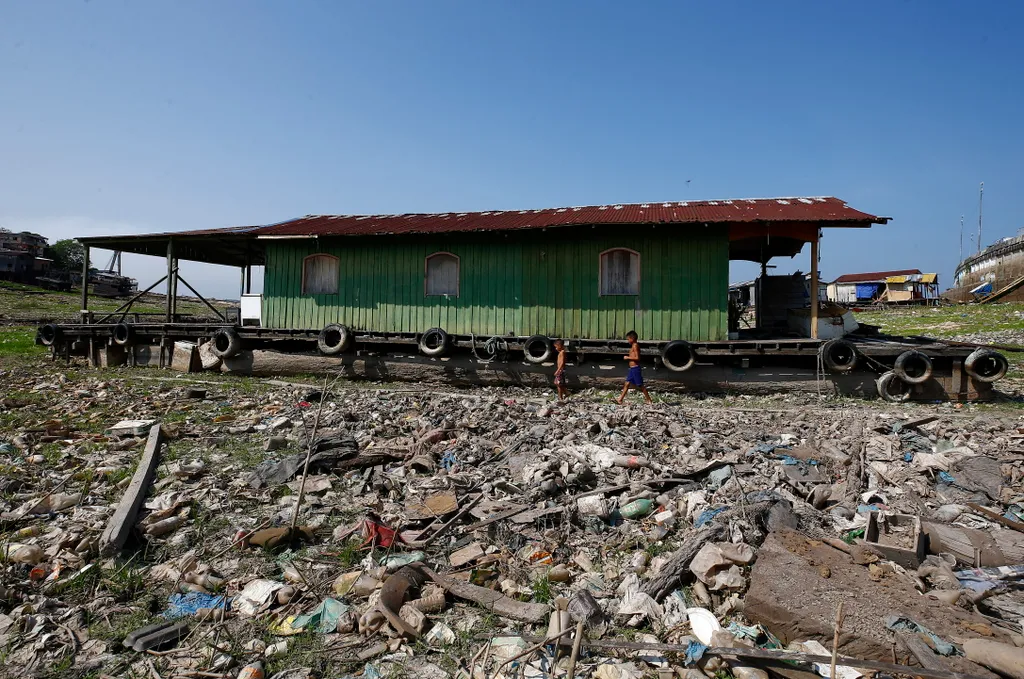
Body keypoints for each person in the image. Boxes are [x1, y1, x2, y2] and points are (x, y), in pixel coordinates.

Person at [616, 330, 653, 404]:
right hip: (632, 369)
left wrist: (628, 358)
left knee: (640, 385)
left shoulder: (635, 345)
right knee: (627, 384)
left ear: (632, 338)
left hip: (635, 368)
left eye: (628, 339)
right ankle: (620, 399)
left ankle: (649, 400)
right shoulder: (633, 346)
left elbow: (637, 358)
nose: (628, 341)